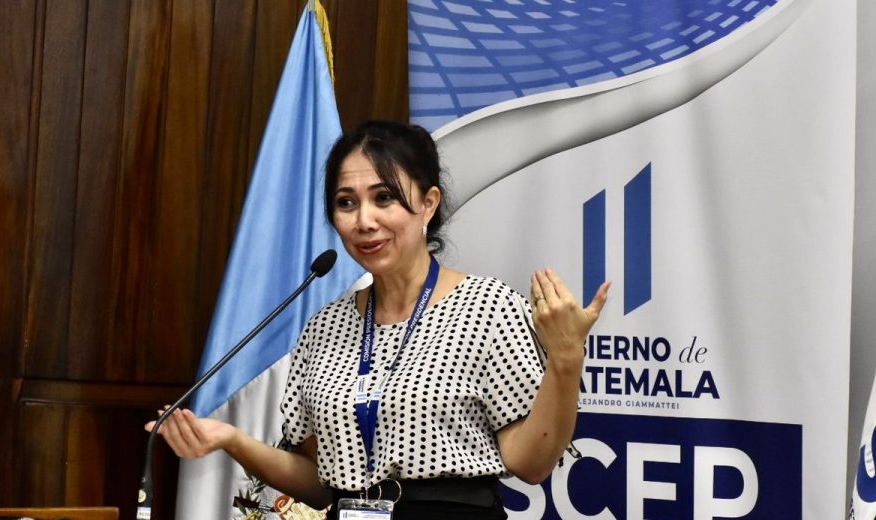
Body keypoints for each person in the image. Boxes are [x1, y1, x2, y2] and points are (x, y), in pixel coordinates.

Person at [148, 120, 610, 519]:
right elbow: (318, 483)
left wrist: (566, 358)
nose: (363, 220)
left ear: (429, 203)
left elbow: (531, 463)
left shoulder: (488, 308)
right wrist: (231, 439)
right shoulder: (324, 327)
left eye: (383, 197)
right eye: (346, 202)